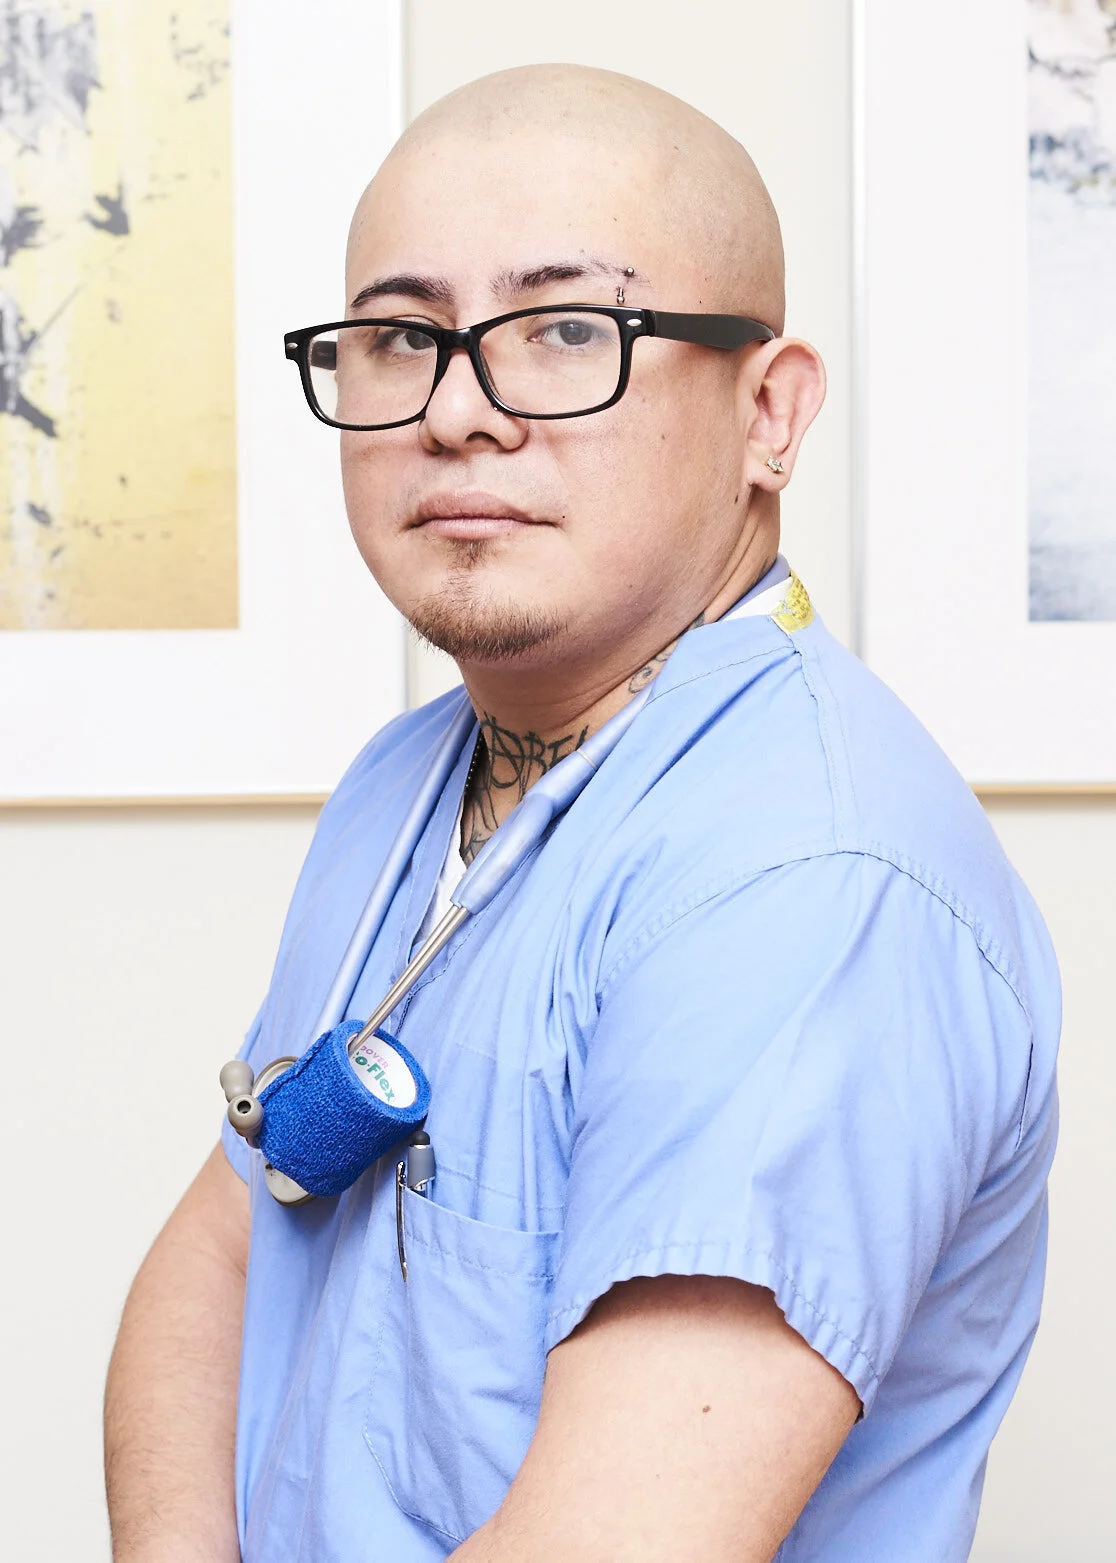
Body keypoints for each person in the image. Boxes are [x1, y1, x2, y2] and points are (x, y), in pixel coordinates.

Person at [103, 65, 1059, 1563]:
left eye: (564, 331)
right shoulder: (407, 781)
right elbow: (224, 1253)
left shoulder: (809, 882)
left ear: (768, 412)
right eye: (402, 336)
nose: (459, 412)